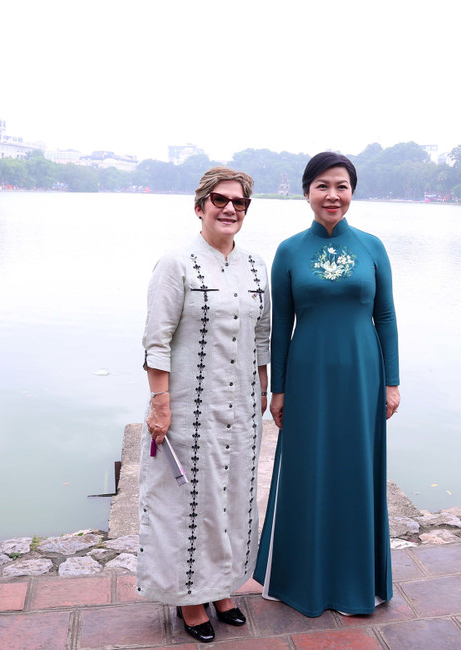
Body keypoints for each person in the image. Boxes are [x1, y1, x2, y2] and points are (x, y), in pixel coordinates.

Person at [254, 152, 400, 617]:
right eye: (322, 186)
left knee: (357, 470)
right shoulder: (289, 250)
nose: (332, 195)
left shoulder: (372, 247)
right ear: (306, 192)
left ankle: (359, 582)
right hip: (308, 375)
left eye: (341, 186)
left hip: (363, 375)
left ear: (352, 192)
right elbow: (280, 326)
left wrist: (392, 382)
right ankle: (301, 578)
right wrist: (279, 389)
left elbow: (386, 317)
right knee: (307, 469)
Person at [138, 167, 271, 643]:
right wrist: (159, 402)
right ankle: (189, 599)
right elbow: (156, 340)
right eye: (220, 200)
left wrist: (262, 388)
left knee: (233, 498)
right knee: (188, 501)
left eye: (239, 202)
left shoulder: (256, 265)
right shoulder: (175, 263)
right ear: (200, 207)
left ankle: (221, 588)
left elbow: (262, 336)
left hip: (240, 409)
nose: (230, 208)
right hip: (187, 405)